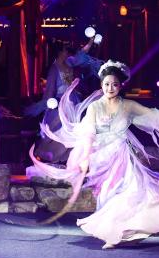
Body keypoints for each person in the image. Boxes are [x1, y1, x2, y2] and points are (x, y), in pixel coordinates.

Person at [29, 59, 159, 249]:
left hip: (123, 157)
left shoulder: (128, 106)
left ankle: (127, 232)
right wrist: (84, 158)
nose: (110, 88)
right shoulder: (94, 107)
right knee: (107, 196)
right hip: (102, 158)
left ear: (120, 85)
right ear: (101, 85)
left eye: (114, 84)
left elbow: (153, 116)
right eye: (107, 84)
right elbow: (89, 133)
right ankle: (115, 233)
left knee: (131, 192)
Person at [25, 37, 103, 166]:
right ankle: (50, 155)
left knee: (73, 128)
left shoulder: (69, 63)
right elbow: (50, 89)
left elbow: (82, 54)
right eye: (65, 50)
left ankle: (67, 157)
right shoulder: (54, 69)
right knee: (59, 128)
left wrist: (90, 41)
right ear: (60, 52)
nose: (67, 52)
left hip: (73, 100)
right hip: (60, 102)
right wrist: (49, 105)